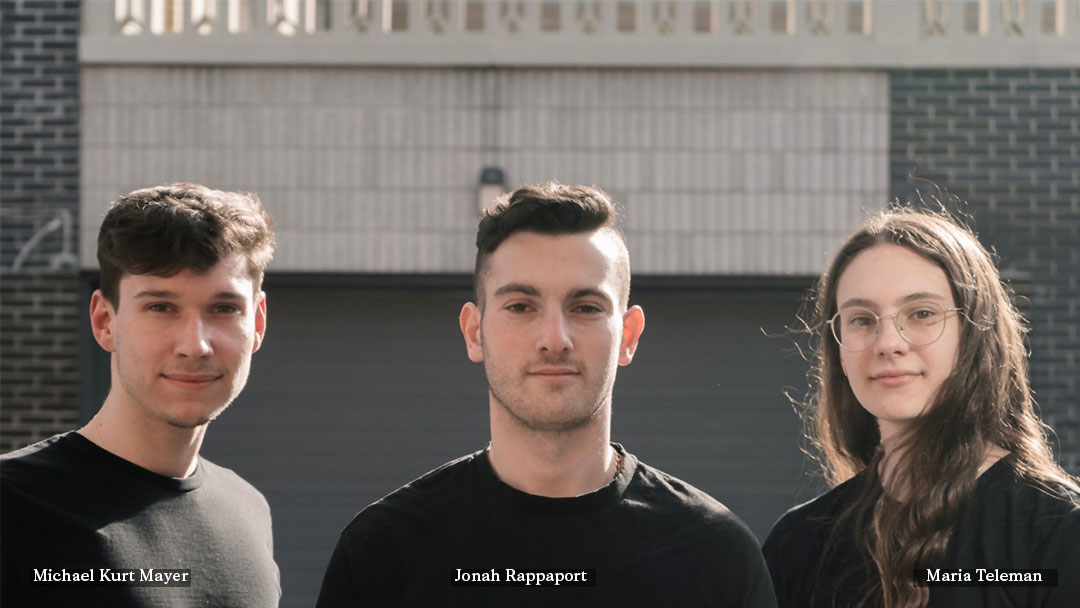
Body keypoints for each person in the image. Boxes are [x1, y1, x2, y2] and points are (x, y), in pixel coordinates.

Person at [316, 182, 776, 607]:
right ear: (474, 332)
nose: (554, 338)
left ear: (629, 335)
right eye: (521, 306)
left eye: (586, 307)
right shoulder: (384, 551)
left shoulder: (715, 555)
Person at [763, 208, 1080, 608]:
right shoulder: (799, 542)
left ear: (975, 334)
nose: (888, 342)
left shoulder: (1055, 531)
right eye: (861, 319)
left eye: (922, 313)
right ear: (838, 350)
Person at [1, 183, 281, 607]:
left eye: (224, 308)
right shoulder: (13, 505)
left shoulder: (249, 511)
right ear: (104, 321)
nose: (195, 345)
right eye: (161, 307)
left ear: (257, 323)